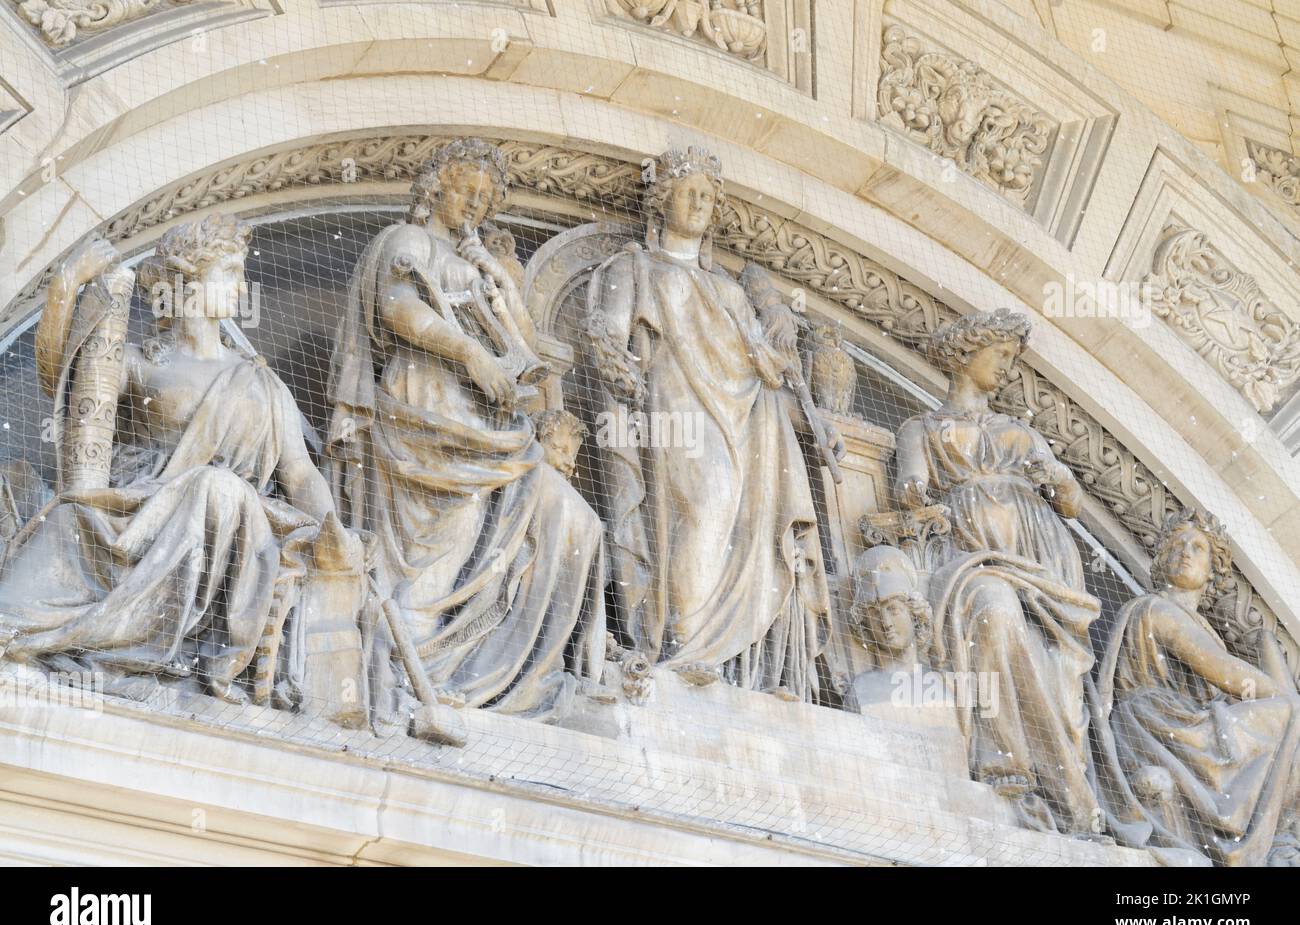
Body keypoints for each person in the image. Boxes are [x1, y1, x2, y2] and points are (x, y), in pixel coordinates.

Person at [0, 215, 335, 706]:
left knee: (216, 487)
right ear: (185, 281)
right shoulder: (139, 361)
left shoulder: (262, 383)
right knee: (71, 516)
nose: (241, 287)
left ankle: (149, 640)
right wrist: (65, 287)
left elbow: (300, 474)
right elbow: (63, 388)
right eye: (227, 271)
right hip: (130, 514)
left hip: (229, 530)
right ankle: (48, 630)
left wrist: (334, 532)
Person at [327, 138, 606, 726]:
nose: (477, 205)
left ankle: (516, 673)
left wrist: (501, 294)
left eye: (487, 197)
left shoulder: (481, 264)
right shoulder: (408, 241)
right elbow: (399, 306)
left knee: (575, 521)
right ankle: (408, 672)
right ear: (435, 188)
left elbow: (527, 352)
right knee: (440, 550)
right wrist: (468, 355)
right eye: (467, 190)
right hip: (430, 406)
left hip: (495, 425)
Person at [583, 145, 836, 701]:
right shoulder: (635, 267)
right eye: (687, 191)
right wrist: (618, 374)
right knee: (704, 506)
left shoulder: (729, 290)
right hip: (673, 412)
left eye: (707, 194)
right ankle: (682, 642)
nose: (698, 202)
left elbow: (762, 374)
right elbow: (609, 341)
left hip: (740, 422)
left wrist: (811, 420)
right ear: (662, 199)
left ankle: (699, 648)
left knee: (731, 521)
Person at [896, 308, 1102, 833]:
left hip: (1042, 562)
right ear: (968, 355)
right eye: (1002, 356)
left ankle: (1060, 776)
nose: (1008, 369)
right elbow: (909, 485)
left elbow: (1072, 505)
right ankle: (1006, 762)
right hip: (970, 558)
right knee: (994, 611)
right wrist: (917, 495)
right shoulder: (920, 427)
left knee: (1053, 665)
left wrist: (1056, 476)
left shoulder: (1020, 431)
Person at [1092, 508, 1300, 866]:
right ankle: (1274, 833)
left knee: (1286, 723)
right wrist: (1281, 699)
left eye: (1197, 547)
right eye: (1176, 545)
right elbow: (1222, 671)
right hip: (1158, 723)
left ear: (1213, 571)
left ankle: (1275, 829)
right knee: (1286, 716)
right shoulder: (1155, 607)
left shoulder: (1205, 627)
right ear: (1161, 560)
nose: (1185, 552)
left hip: (1186, 726)